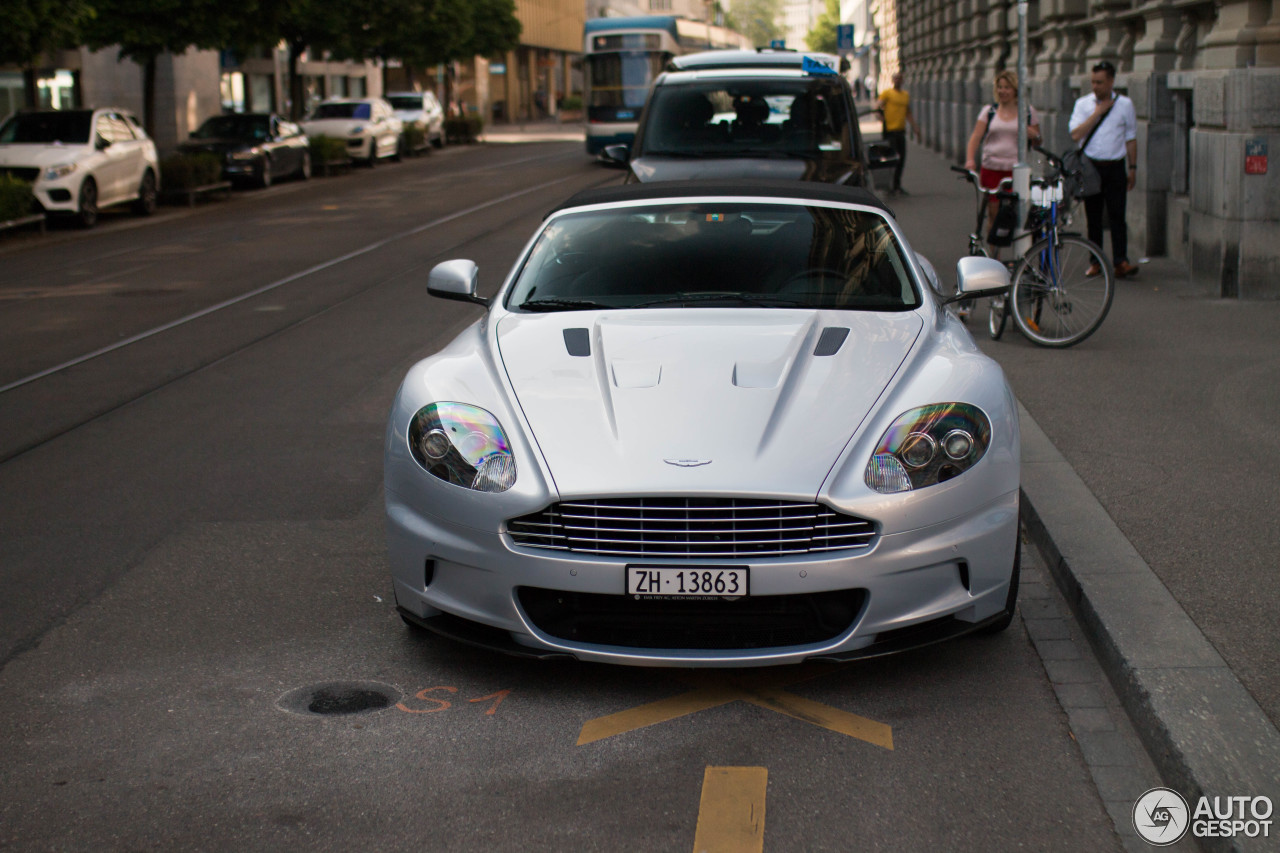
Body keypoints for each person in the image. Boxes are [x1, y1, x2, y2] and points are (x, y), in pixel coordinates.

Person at [1068, 60, 1140, 278]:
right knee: (1094, 216)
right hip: (1091, 167)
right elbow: (1076, 134)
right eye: (1093, 82)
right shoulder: (1083, 104)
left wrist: (1133, 167)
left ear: (1111, 81)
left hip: (1115, 166)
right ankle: (1096, 261)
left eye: (1100, 82)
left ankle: (1121, 261)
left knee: (1118, 215)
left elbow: (1131, 138)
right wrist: (1097, 113)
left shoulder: (1125, 105)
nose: (1095, 86)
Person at [964, 70, 1042, 255]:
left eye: (1007, 87)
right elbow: (976, 136)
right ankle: (994, 256)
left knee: (1019, 215)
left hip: (1017, 171)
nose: (1003, 91)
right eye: (1000, 87)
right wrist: (969, 160)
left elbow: (1038, 141)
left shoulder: (1028, 112)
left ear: (1015, 90)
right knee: (994, 214)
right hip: (992, 168)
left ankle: (1021, 256)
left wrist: (1034, 135)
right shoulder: (989, 111)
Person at [877, 72, 922, 195]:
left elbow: (908, 113)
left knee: (901, 158)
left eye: (899, 79)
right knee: (892, 158)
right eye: (895, 78)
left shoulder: (905, 95)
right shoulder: (887, 93)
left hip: (900, 131)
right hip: (890, 132)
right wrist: (879, 114)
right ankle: (890, 185)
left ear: (902, 81)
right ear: (892, 80)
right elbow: (879, 105)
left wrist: (915, 127)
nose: (897, 80)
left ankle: (897, 185)